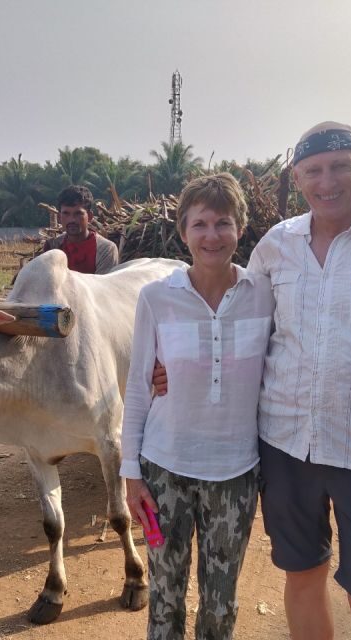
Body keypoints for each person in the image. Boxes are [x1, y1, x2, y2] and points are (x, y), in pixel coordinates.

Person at [155, 122, 351, 639]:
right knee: (302, 578)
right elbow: (236, 325)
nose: (328, 182)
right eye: (314, 171)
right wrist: (177, 367)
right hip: (284, 450)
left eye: (341, 166)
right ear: (297, 178)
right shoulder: (277, 246)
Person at [121, 173, 274, 639]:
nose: (212, 235)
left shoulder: (264, 295)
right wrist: (131, 474)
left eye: (223, 223)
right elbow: (137, 387)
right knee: (165, 598)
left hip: (236, 474)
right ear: (183, 232)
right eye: (200, 224)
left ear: (240, 227)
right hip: (164, 472)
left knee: (220, 603)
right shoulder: (156, 298)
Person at [42, 185, 119, 274]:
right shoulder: (52, 246)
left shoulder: (105, 249)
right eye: (66, 213)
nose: (72, 220)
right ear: (59, 217)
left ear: (89, 216)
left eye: (78, 213)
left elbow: (101, 286)